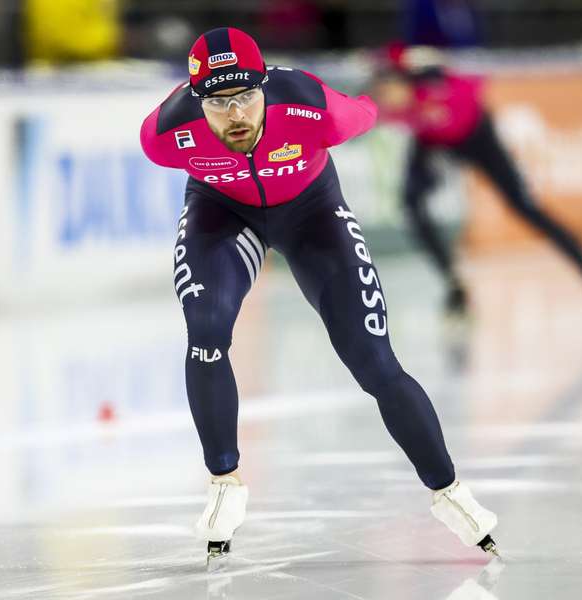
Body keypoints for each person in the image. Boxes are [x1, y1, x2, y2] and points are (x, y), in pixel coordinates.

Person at [139, 27, 499, 565]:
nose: (235, 114)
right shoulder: (166, 134)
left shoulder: (311, 108)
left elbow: (369, 111)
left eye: (245, 96)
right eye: (218, 102)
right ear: (197, 102)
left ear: (265, 86)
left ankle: (449, 491)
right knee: (207, 330)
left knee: (374, 363)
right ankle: (224, 482)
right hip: (223, 211)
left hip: (311, 213)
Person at [370, 44, 582, 317]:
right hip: (433, 141)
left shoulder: (435, 82)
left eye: (389, 92)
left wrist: (435, 68)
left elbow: (476, 82)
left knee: (526, 208)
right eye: (382, 95)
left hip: (477, 135)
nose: (388, 101)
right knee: (411, 205)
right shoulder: (387, 103)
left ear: (404, 81)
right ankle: (455, 286)